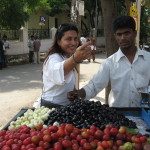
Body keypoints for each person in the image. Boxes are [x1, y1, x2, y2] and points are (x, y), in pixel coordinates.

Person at [68, 16, 150, 107]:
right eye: (119, 34)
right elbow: (94, 86)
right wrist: (78, 93)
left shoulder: (148, 59)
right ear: (115, 36)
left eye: (127, 33)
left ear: (134, 33)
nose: (123, 38)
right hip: (118, 116)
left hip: (145, 115)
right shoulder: (109, 63)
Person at [41, 23, 91, 108]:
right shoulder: (53, 58)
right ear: (59, 41)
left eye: (75, 39)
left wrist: (75, 93)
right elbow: (59, 70)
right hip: (51, 108)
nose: (73, 42)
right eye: (68, 39)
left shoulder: (68, 57)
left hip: (66, 108)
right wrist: (75, 58)